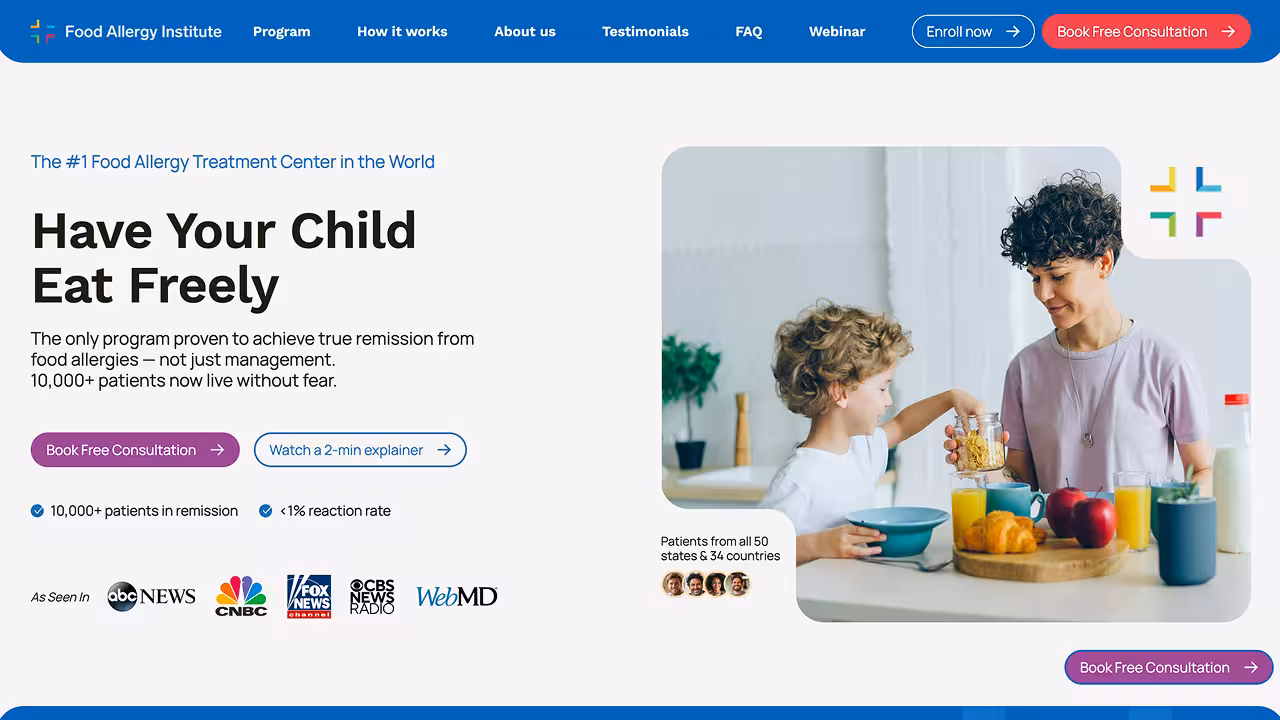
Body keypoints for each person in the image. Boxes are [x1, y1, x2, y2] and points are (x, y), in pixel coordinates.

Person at [943, 171, 1213, 494]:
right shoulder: (1023, 370)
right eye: (1035, 278)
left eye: (1057, 276)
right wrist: (983, 467)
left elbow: (1202, 470)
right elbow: (1020, 482)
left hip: (1139, 545)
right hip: (1052, 546)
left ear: (1104, 264)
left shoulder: (1167, 364)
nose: (1043, 294)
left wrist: (1174, 523)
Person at [759, 300, 989, 565]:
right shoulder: (797, 479)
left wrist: (951, 397)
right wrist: (816, 544)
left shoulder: (861, 449)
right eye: (882, 388)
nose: (888, 401)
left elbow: (902, 425)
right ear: (840, 391)